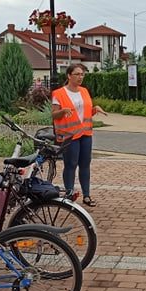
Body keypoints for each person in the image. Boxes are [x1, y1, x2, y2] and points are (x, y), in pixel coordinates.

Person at [52, 63, 106, 207]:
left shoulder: (84, 91)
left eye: (82, 74)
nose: (80, 77)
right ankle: (69, 195)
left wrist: (95, 109)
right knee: (71, 164)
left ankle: (86, 195)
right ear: (69, 76)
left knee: (85, 164)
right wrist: (63, 111)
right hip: (69, 135)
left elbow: (84, 112)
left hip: (85, 133)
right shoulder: (59, 93)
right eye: (77, 74)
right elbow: (54, 114)